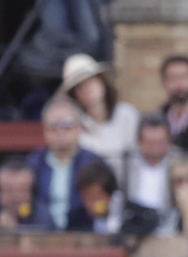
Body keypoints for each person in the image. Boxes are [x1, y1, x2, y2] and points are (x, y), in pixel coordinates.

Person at [28, 97, 104, 232]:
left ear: (79, 127)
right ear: (44, 130)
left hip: (84, 236)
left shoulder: (94, 163)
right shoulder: (33, 164)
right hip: (41, 236)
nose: (60, 131)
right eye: (53, 126)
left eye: (67, 125)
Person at [60, 54, 140, 177]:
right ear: (75, 95)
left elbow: (138, 160)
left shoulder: (128, 115)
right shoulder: (74, 125)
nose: (86, 89)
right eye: (79, 86)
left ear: (102, 81)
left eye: (90, 80)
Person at [74, 160, 160, 237]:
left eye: (95, 197)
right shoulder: (77, 220)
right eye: (86, 198)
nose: (90, 204)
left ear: (110, 194)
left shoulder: (135, 215)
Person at [126, 114, 175, 211]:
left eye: (160, 142)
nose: (155, 148)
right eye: (150, 143)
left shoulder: (179, 163)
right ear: (139, 142)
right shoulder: (126, 164)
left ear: (169, 142)